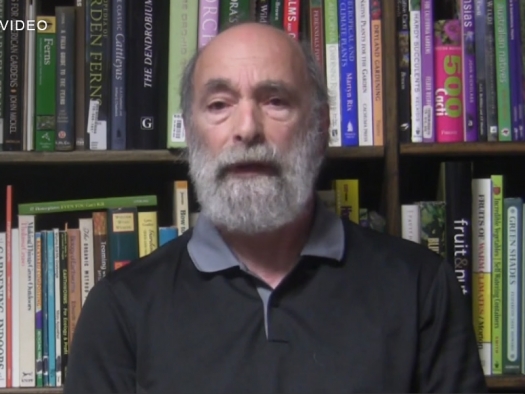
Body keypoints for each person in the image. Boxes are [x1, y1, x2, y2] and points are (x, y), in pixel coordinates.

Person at [63, 22, 487, 393]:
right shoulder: (119, 310)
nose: (247, 129)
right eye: (219, 105)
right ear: (191, 138)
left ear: (319, 132)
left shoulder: (420, 288)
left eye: (275, 101)